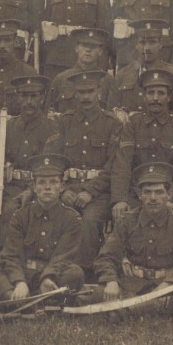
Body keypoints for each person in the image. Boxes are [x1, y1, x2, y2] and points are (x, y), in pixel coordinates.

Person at [0, 154, 85, 302]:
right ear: (34, 187)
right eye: (42, 183)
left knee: (75, 273)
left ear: (62, 187)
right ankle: (18, 298)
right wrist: (19, 282)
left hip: (51, 276)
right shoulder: (20, 216)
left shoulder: (72, 219)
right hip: (22, 274)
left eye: (53, 182)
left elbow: (63, 258)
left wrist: (47, 278)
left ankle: (14, 301)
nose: (47, 187)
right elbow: (10, 255)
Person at [94, 163, 173, 308]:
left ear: (169, 195)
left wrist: (168, 284)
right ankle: (144, 306)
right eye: (147, 192)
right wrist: (111, 281)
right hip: (133, 283)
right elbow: (106, 256)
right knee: (100, 292)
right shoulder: (127, 221)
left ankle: (127, 308)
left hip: (166, 284)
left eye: (159, 192)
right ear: (139, 195)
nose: (153, 198)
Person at [45, 70, 122, 270]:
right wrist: (63, 190)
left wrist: (90, 191)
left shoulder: (111, 123)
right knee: (55, 217)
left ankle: (84, 272)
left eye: (90, 91)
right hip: (68, 190)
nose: (85, 97)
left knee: (88, 221)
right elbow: (52, 161)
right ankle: (53, 271)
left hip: (98, 195)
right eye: (81, 92)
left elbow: (114, 164)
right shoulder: (64, 121)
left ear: (99, 92)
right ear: (75, 94)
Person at [110, 68, 173, 216]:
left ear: (169, 97)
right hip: (136, 194)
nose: (155, 98)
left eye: (161, 93)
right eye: (150, 93)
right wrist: (120, 199)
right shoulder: (133, 124)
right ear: (144, 96)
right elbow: (123, 164)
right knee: (124, 219)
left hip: (167, 194)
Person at [0, 75, 58, 239]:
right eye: (24, 96)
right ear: (17, 98)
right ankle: (6, 258)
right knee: (7, 209)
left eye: (34, 96)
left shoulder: (52, 128)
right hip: (11, 188)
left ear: (42, 98)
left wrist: (31, 190)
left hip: (42, 188)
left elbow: (51, 165)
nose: (29, 101)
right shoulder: (7, 127)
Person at [49, 28, 122, 115]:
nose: (88, 50)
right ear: (76, 48)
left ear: (100, 51)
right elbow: (50, 114)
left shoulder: (108, 80)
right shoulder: (61, 79)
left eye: (93, 46)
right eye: (84, 45)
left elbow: (112, 115)